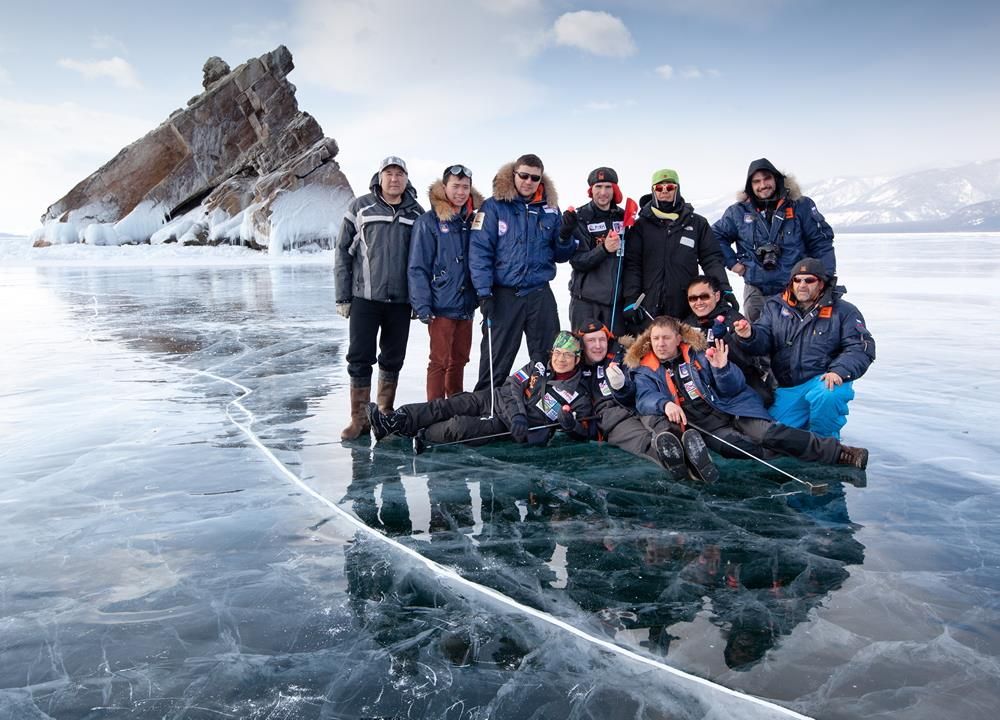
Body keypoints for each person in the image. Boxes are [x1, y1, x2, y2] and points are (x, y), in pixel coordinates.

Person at [624, 315, 870, 481]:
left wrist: (722, 369)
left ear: (678, 339)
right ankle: (790, 459)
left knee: (771, 434)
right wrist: (664, 403)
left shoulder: (699, 354)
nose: (660, 343)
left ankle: (840, 453)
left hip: (732, 407)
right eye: (655, 338)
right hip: (705, 425)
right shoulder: (644, 368)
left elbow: (734, 387)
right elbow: (644, 398)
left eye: (666, 337)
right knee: (741, 448)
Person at [367, 331, 593, 448]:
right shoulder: (538, 366)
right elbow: (512, 384)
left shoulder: (577, 394)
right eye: (557, 353)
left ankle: (420, 434)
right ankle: (395, 421)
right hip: (499, 401)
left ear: (577, 358)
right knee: (449, 404)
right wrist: (519, 414)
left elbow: (586, 430)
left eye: (567, 355)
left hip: (506, 426)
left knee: (459, 427)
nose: (561, 359)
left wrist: (571, 425)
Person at [733, 258, 875, 439]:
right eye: (797, 280)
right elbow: (762, 340)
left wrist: (839, 371)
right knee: (772, 436)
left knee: (828, 394)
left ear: (822, 283)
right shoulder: (774, 307)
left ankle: (827, 443)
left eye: (809, 280)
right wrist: (749, 335)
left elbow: (861, 347)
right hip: (789, 387)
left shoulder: (845, 311)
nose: (802, 285)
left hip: (823, 381)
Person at [335, 155, 425, 440]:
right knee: (360, 358)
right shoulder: (360, 207)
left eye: (400, 174)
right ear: (380, 177)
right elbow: (342, 253)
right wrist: (343, 296)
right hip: (365, 299)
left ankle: (384, 413)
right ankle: (359, 419)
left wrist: (418, 299)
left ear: (406, 179)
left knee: (392, 358)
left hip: (400, 302)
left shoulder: (417, 213)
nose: (394, 179)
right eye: (389, 173)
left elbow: (422, 260)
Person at [469, 154, 574, 391]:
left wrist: (566, 236)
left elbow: (561, 254)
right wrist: (484, 292)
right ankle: (487, 411)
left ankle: (547, 413)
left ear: (541, 180)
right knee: (495, 360)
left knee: (550, 359)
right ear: (514, 174)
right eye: (523, 175)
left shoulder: (550, 209)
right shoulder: (494, 206)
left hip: (539, 293)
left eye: (534, 178)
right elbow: (479, 251)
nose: (528, 181)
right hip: (505, 295)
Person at [713, 158, 836, 322]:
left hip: (796, 289)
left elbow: (821, 243)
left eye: (767, 178)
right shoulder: (738, 212)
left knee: (794, 341)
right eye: (756, 181)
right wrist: (733, 264)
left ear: (777, 179)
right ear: (750, 186)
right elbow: (715, 235)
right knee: (754, 339)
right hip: (756, 289)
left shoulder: (800, 205)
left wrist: (824, 279)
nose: (762, 185)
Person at [622, 168, 734, 332]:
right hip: (647, 305)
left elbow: (711, 259)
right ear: (653, 191)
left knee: (685, 352)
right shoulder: (640, 226)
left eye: (670, 187)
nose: (664, 191)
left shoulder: (697, 223)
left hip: (685, 304)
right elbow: (632, 265)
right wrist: (631, 299)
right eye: (659, 188)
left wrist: (724, 288)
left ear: (677, 189)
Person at [408, 164, 483, 401]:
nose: (461, 192)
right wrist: (422, 305)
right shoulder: (428, 222)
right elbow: (417, 267)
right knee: (439, 360)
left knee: (460, 358)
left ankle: (455, 401)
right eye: (455, 186)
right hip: (441, 304)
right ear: (444, 187)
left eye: (465, 187)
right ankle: (435, 409)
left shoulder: (474, 220)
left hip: (466, 303)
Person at [574, 319, 688, 473]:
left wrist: (622, 386)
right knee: (641, 440)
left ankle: (686, 450)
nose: (598, 345)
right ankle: (675, 464)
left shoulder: (623, 354)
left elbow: (637, 387)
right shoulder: (576, 366)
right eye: (591, 341)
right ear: (582, 344)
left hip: (639, 404)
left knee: (660, 425)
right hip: (613, 417)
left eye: (602, 339)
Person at [683, 275, 774, 405]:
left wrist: (725, 338)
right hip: (705, 385)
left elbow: (748, 363)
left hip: (739, 380)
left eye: (704, 296)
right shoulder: (686, 324)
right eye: (692, 298)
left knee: (763, 400)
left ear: (717, 296)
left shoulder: (734, 319)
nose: (698, 302)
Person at [565, 167, 627, 331]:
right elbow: (578, 261)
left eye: (608, 187)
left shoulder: (625, 218)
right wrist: (604, 249)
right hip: (586, 302)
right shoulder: (581, 218)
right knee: (585, 352)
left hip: (616, 304)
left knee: (617, 353)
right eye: (598, 187)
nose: (603, 192)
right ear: (591, 190)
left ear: (614, 190)